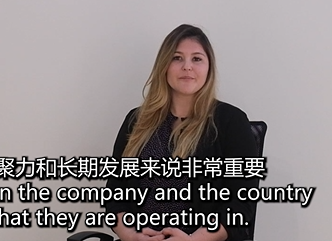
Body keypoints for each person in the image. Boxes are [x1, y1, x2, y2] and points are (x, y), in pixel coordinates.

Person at [105, 24, 259, 241]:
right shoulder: (136, 121)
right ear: (164, 66)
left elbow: (241, 203)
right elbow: (114, 193)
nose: (187, 67)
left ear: (209, 68)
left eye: (197, 59)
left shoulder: (231, 121)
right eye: (177, 58)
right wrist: (131, 236)